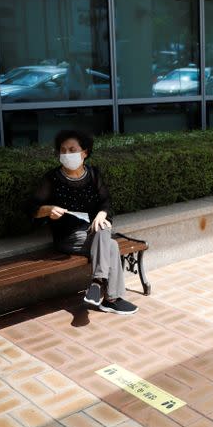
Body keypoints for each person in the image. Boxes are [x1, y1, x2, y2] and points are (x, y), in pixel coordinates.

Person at [29, 129, 137, 315]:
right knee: (109, 244)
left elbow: (106, 202)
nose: (67, 154)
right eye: (63, 150)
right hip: (68, 237)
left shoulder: (94, 175)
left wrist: (103, 213)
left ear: (85, 153)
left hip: (92, 231)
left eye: (72, 150)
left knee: (104, 229)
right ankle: (110, 298)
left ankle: (97, 285)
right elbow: (30, 208)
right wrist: (47, 210)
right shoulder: (52, 179)